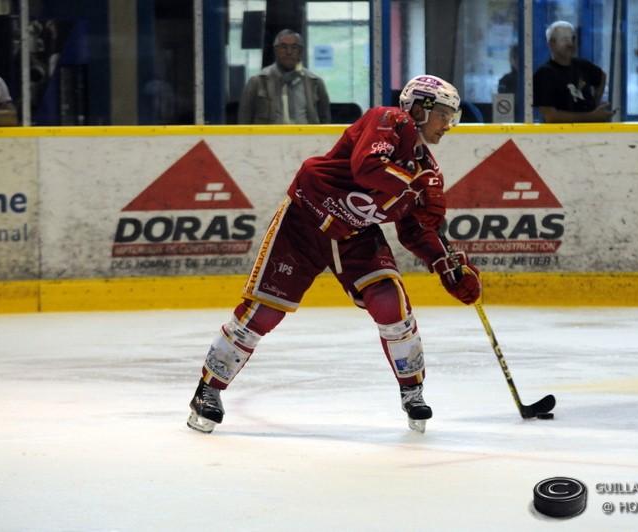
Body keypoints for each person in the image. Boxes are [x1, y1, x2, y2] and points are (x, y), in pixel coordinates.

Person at [188, 75, 481, 434]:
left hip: (355, 235)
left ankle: (412, 391)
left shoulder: (427, 171)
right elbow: (368, 167)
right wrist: (411, 186)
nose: (449, 126)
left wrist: (446, 264)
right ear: (420, 109)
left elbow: (416, 228)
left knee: (391, 302)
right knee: (263, 313)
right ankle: (208, 390)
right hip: (304, 222)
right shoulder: (389, 120)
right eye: (445, 116)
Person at [238, 29, 331, 124]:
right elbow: (243, 122)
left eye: (294, 47)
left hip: (308, 138)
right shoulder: (257, 82)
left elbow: (325, 121)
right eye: (283, 47)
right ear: (275, 50)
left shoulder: (315, 83)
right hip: (268, 138)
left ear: (300, 51)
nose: (289, 52)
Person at [533, 21, 614, 123]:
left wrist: (595, 102)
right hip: (561, 136)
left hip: (591, 133)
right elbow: (551, 117)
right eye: (564, 39)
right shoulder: (544, 74)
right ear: (551, 44)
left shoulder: (583, 65)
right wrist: (592, 116)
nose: (570, 44)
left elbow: (602, 76)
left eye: (573, 38)